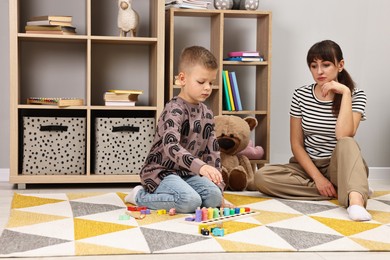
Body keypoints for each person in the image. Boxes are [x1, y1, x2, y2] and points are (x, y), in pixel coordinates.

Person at [254, 40, 372, 221]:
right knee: (262, 177)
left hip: (341, 165)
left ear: (340, 65)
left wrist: (345, 93)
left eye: (326, 65)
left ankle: (355, 201)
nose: (319, 71)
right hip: (308, 166)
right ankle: (351, 187)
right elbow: (296, 144)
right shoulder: (300, 95)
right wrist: (318, 178)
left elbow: (343, 135)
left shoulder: (356, 94)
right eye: (313, 66)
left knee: (347, 142)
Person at [125, 46, 226, 213]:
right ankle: (139, 196)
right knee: (190, 202)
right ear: (182, 78)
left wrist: (218, 188)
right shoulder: (174, 109)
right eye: (201, 82)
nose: (208, 87)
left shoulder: (207, 113)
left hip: (188, 174)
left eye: (211, 82)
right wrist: (201, 167)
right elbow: (171, 146)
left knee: (214, 198)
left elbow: (212, 153)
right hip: (161, 172)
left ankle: (185, 194)